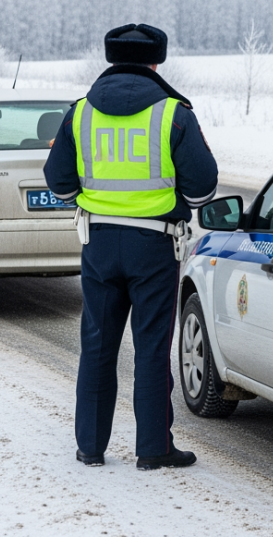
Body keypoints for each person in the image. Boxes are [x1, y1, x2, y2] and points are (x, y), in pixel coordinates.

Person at [43, 24, 219, 470]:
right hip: (155, 246)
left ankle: (90, 446)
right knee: (153, 346)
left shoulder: (80, 112)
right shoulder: (173, 114)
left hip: (98, 244)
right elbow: (202, 189)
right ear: (156, 63)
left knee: (98, 345)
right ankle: (153, 448)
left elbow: (58, 182)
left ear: (110, 60)